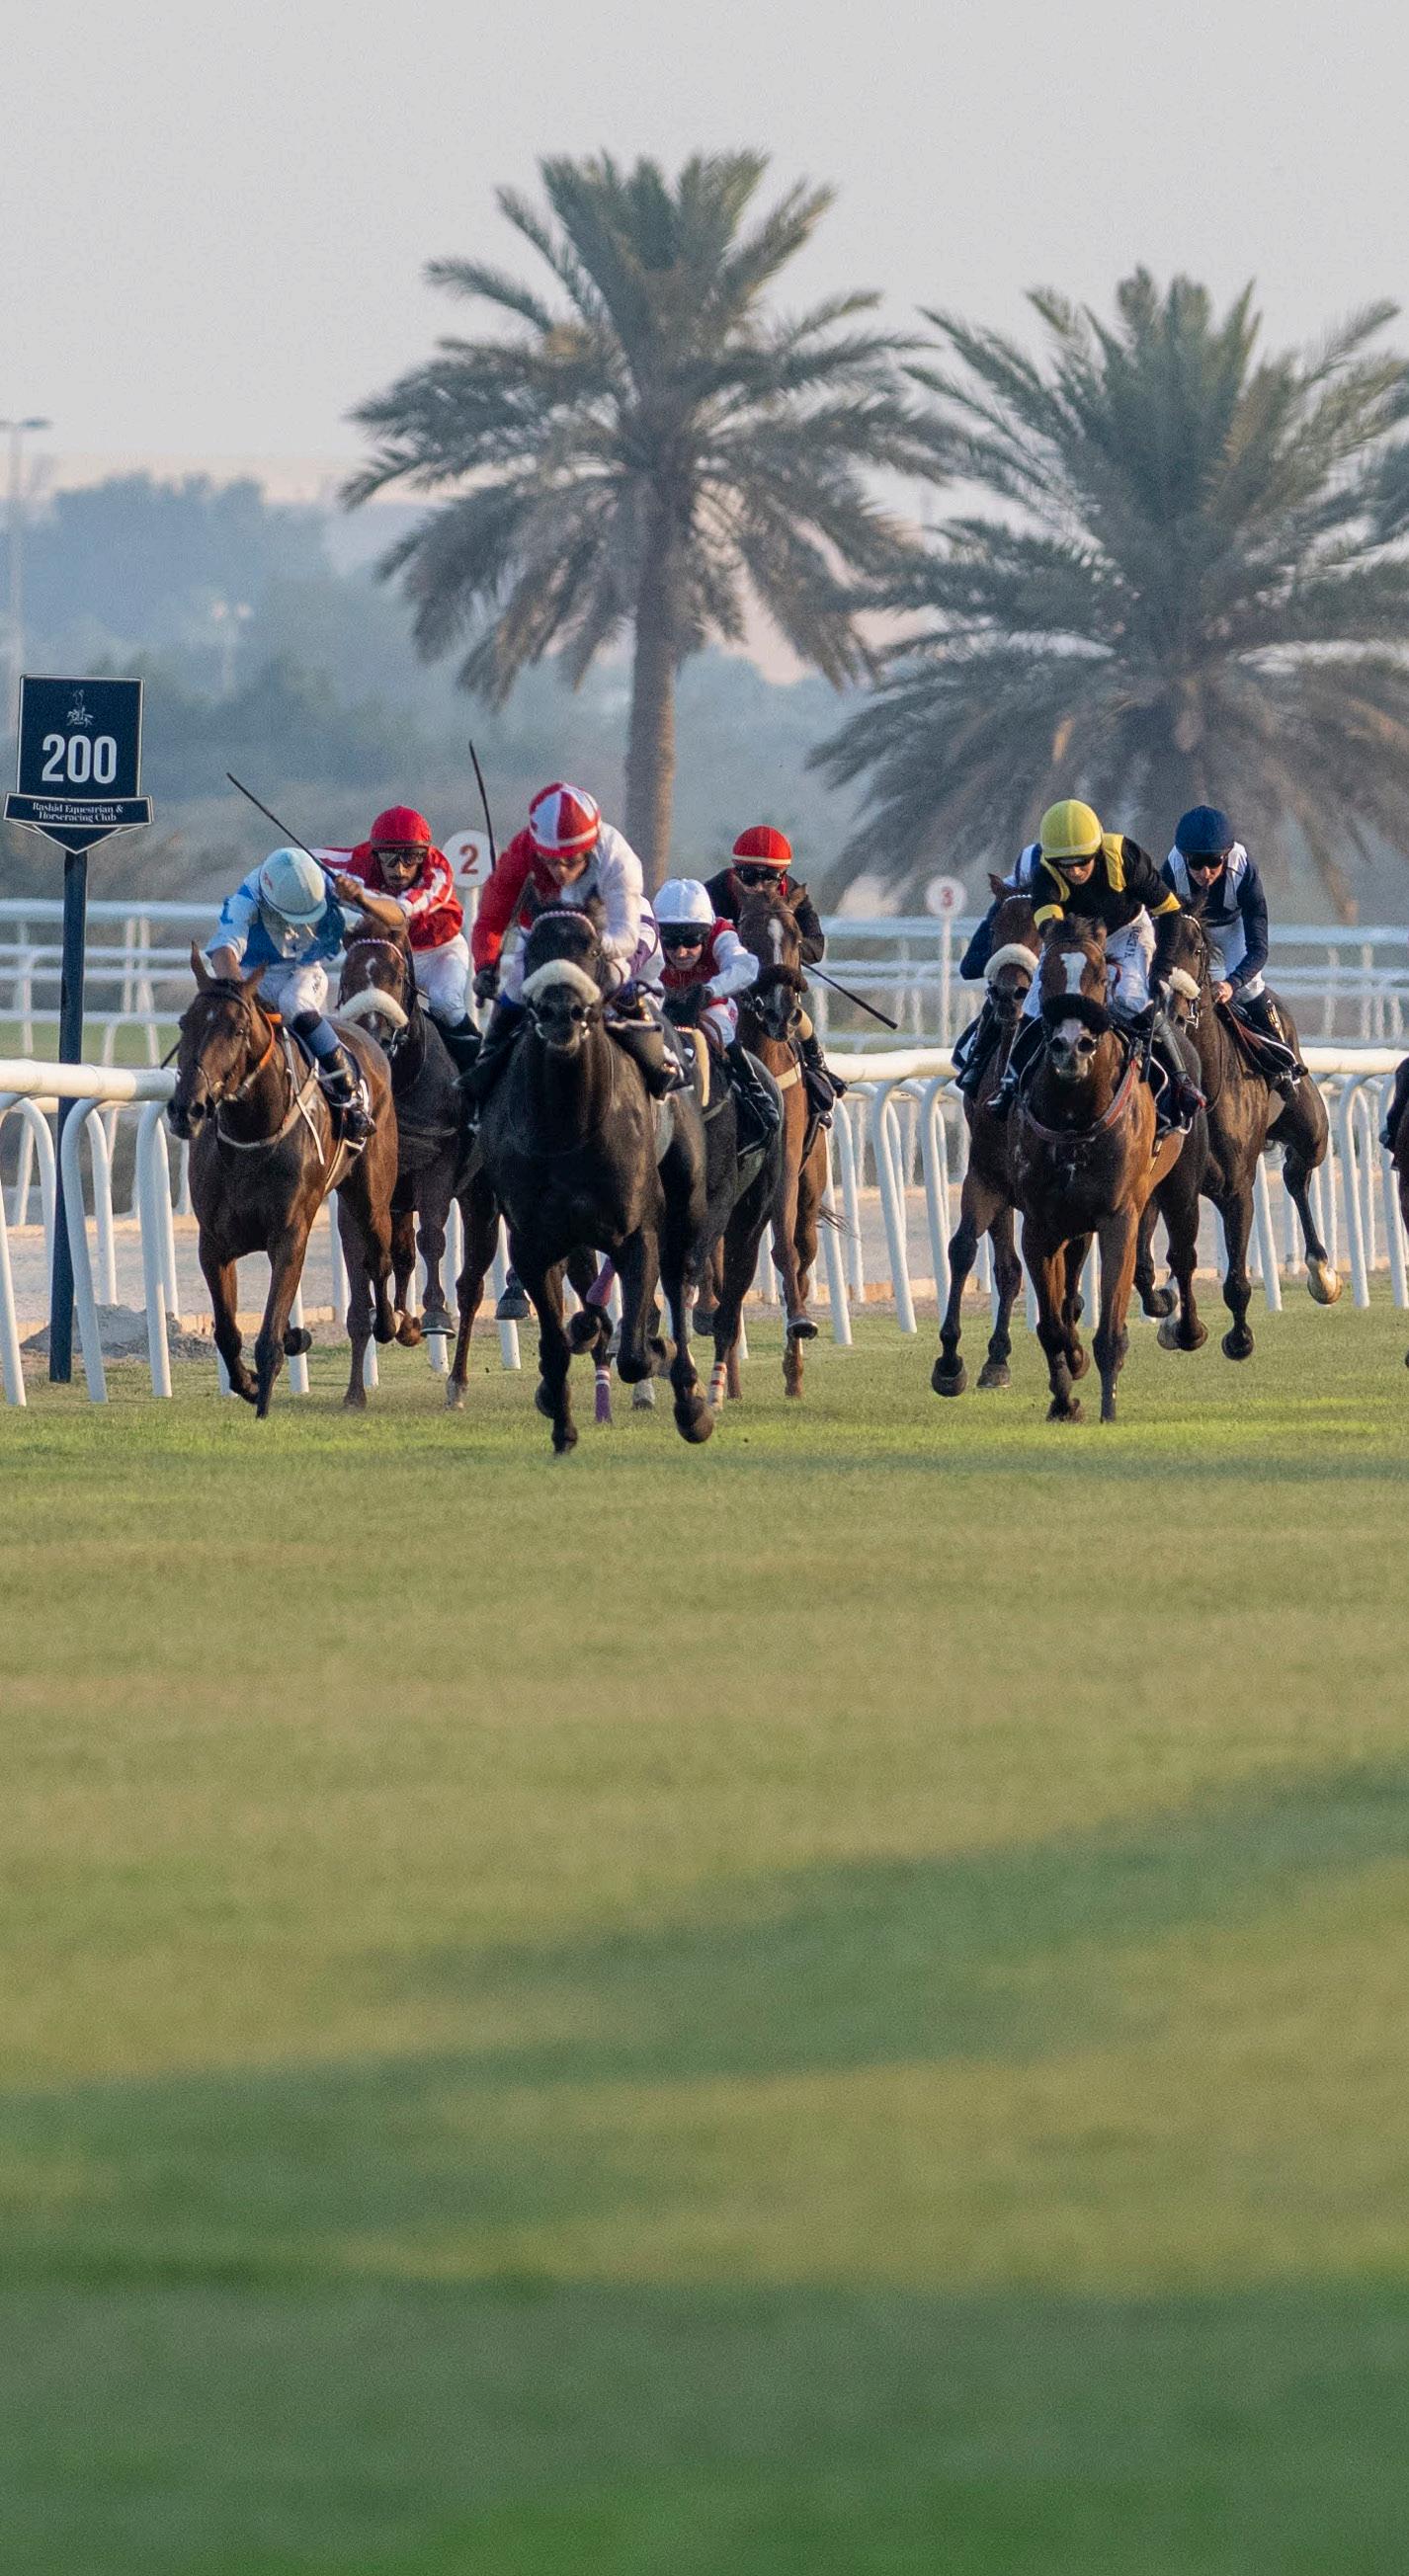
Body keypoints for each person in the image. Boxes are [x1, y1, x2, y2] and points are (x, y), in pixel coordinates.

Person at [987, 799, 1204, 1129]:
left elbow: (1170, 911)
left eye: (1082, 862)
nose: (1074, 871)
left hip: (1127, 930)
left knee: (1131, 998)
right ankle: (1009, 1082)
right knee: (1033, 1003)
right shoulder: (1046, 874)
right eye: (1065, 865)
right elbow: (1050, 929)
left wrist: (1161, 971)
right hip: (1071, 936)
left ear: (1097, 851)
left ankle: (1181, 1081)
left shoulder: (1124, 857)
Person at [205, 847, 396, 1146]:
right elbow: (223, 952)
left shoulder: (327, 881)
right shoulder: (248, 898)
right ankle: (202, 1093)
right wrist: (239, 995)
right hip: (253, 973)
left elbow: (398, 916)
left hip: (304, 970)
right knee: (222, 1017)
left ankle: (350, 1094)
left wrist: (361, 898)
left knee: (294, 1004)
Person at [325, 805, 480, 1078]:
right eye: (389, 858)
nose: (399, 869)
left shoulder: (438, 872)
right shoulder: (356, 862)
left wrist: (360, 897)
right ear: (374, 854)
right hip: (391, 953)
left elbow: (398, 916)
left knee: (446, 1004)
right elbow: (300, 860)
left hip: (439, 953)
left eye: (411, 858)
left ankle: (476, 1078)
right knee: (364, 1006)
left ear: (424, 855)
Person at [703, 826, 846, 1120]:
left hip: (778, 979)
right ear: (735, 871)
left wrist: (782, 943)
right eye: (749, 876)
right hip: (725, 980)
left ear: (783, 875)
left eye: (769, 877)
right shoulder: (713, 893)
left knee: (794, 1014)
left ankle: (816, 1065)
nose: (759, 886)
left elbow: (816, 947)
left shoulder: (794, 894)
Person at [1161, 807, 1302, 1102]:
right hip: (1190, 929)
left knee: (1249, 988)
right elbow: (1163, 930)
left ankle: (1281, 1061)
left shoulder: (1244, 870)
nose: (1205, 873)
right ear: (1183, 858)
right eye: (1196, 863)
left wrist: (1231, 983)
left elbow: (1259, 949)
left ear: (1226, 856)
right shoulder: (1171, 872)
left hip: (1233, 927)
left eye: (1214, 862)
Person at [654, 878, 779, 1153]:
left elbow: (746, 966)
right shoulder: (649, 935)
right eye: (671, 942)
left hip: (711, 1005)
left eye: (691, 941)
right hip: (662, 1003)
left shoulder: (721, 933)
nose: (681, 952)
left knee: (720, 1026)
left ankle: (754, 1093)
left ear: (706, 933)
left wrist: (709, 991)